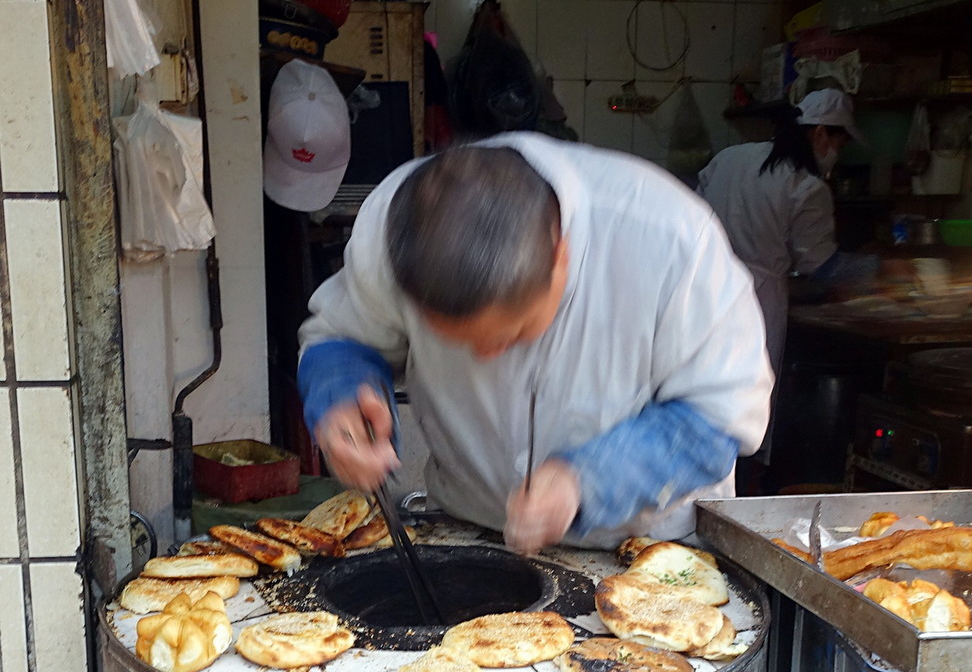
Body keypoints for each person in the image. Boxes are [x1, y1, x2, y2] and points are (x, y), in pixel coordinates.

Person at [297, 135, 772, 554]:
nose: (487, 357)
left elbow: (719, 419)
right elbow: (342, 335)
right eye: (455, 342)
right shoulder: (393, 225)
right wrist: (339, 397)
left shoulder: (674, 243)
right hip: (465, 538)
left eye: (515, 333)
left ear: (561, 255)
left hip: (644, 555)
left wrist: (586, 481)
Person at [697, 88, 875, 471]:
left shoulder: (730, 157)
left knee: (698, 388)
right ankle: (741, 479)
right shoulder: (807, 187)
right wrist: (880, 269)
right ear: (821, 134)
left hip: (700, 288)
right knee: (746, 397)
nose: (837, 152)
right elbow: (821, 265)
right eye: (839, 141)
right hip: (757, 301)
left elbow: (696, 207)